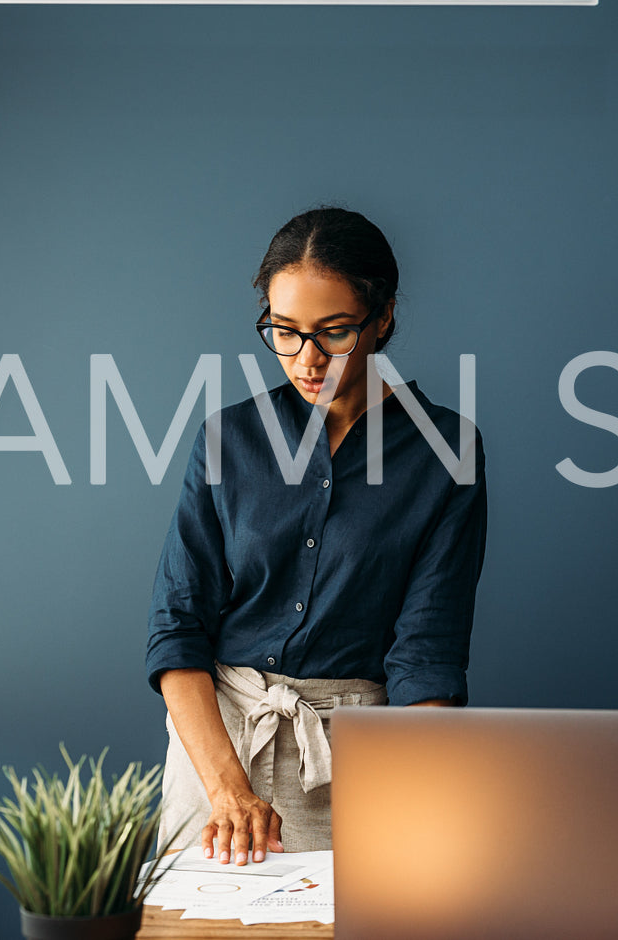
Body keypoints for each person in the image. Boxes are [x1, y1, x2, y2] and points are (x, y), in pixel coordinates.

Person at [146, 206, 487, 866]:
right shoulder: (228, 438)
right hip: (217, 748)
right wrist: (226, 789)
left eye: (334, 332)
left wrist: (423, 798)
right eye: (284, 331)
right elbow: (177, 626)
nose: (307, 359)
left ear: (381, 316)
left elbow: (425, 654)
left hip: (358, 756)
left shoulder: (447, 451)